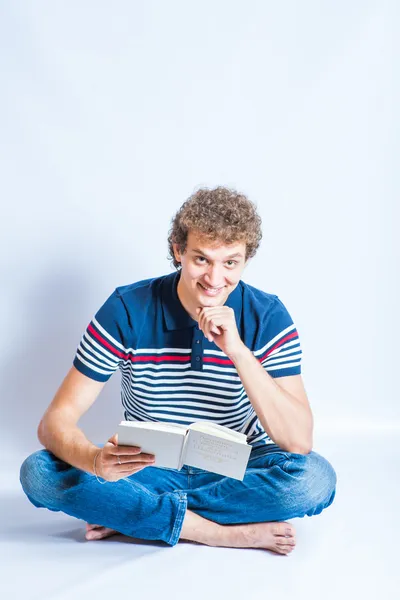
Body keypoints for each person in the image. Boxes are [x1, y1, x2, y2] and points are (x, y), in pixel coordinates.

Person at [19, 186, 336, 555]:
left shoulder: (268, 315)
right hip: (148, 468)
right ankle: (216, 532)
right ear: (178, 251)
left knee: (314, 479)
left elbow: (298, 442)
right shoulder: (126, 308)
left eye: (230, 263)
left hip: (236, 470)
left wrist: (236, 350)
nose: (215, 279)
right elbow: (54, 422)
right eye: (202, 259)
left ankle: (135, 513)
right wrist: (95, 463)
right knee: (39, 473)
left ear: (246, 261)